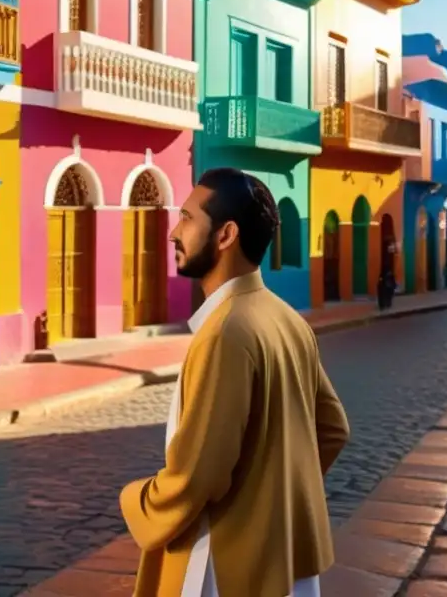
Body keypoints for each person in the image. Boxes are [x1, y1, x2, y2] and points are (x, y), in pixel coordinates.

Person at [119, 168, 349, 597]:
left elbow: (198, 474)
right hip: (284, 561)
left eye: (187, 218)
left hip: (223, 569)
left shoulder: (226, 331)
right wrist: (272, 500)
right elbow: (333, 429)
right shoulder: (287, 319)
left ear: (225, 235)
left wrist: (138, 500)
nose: (174, 232)